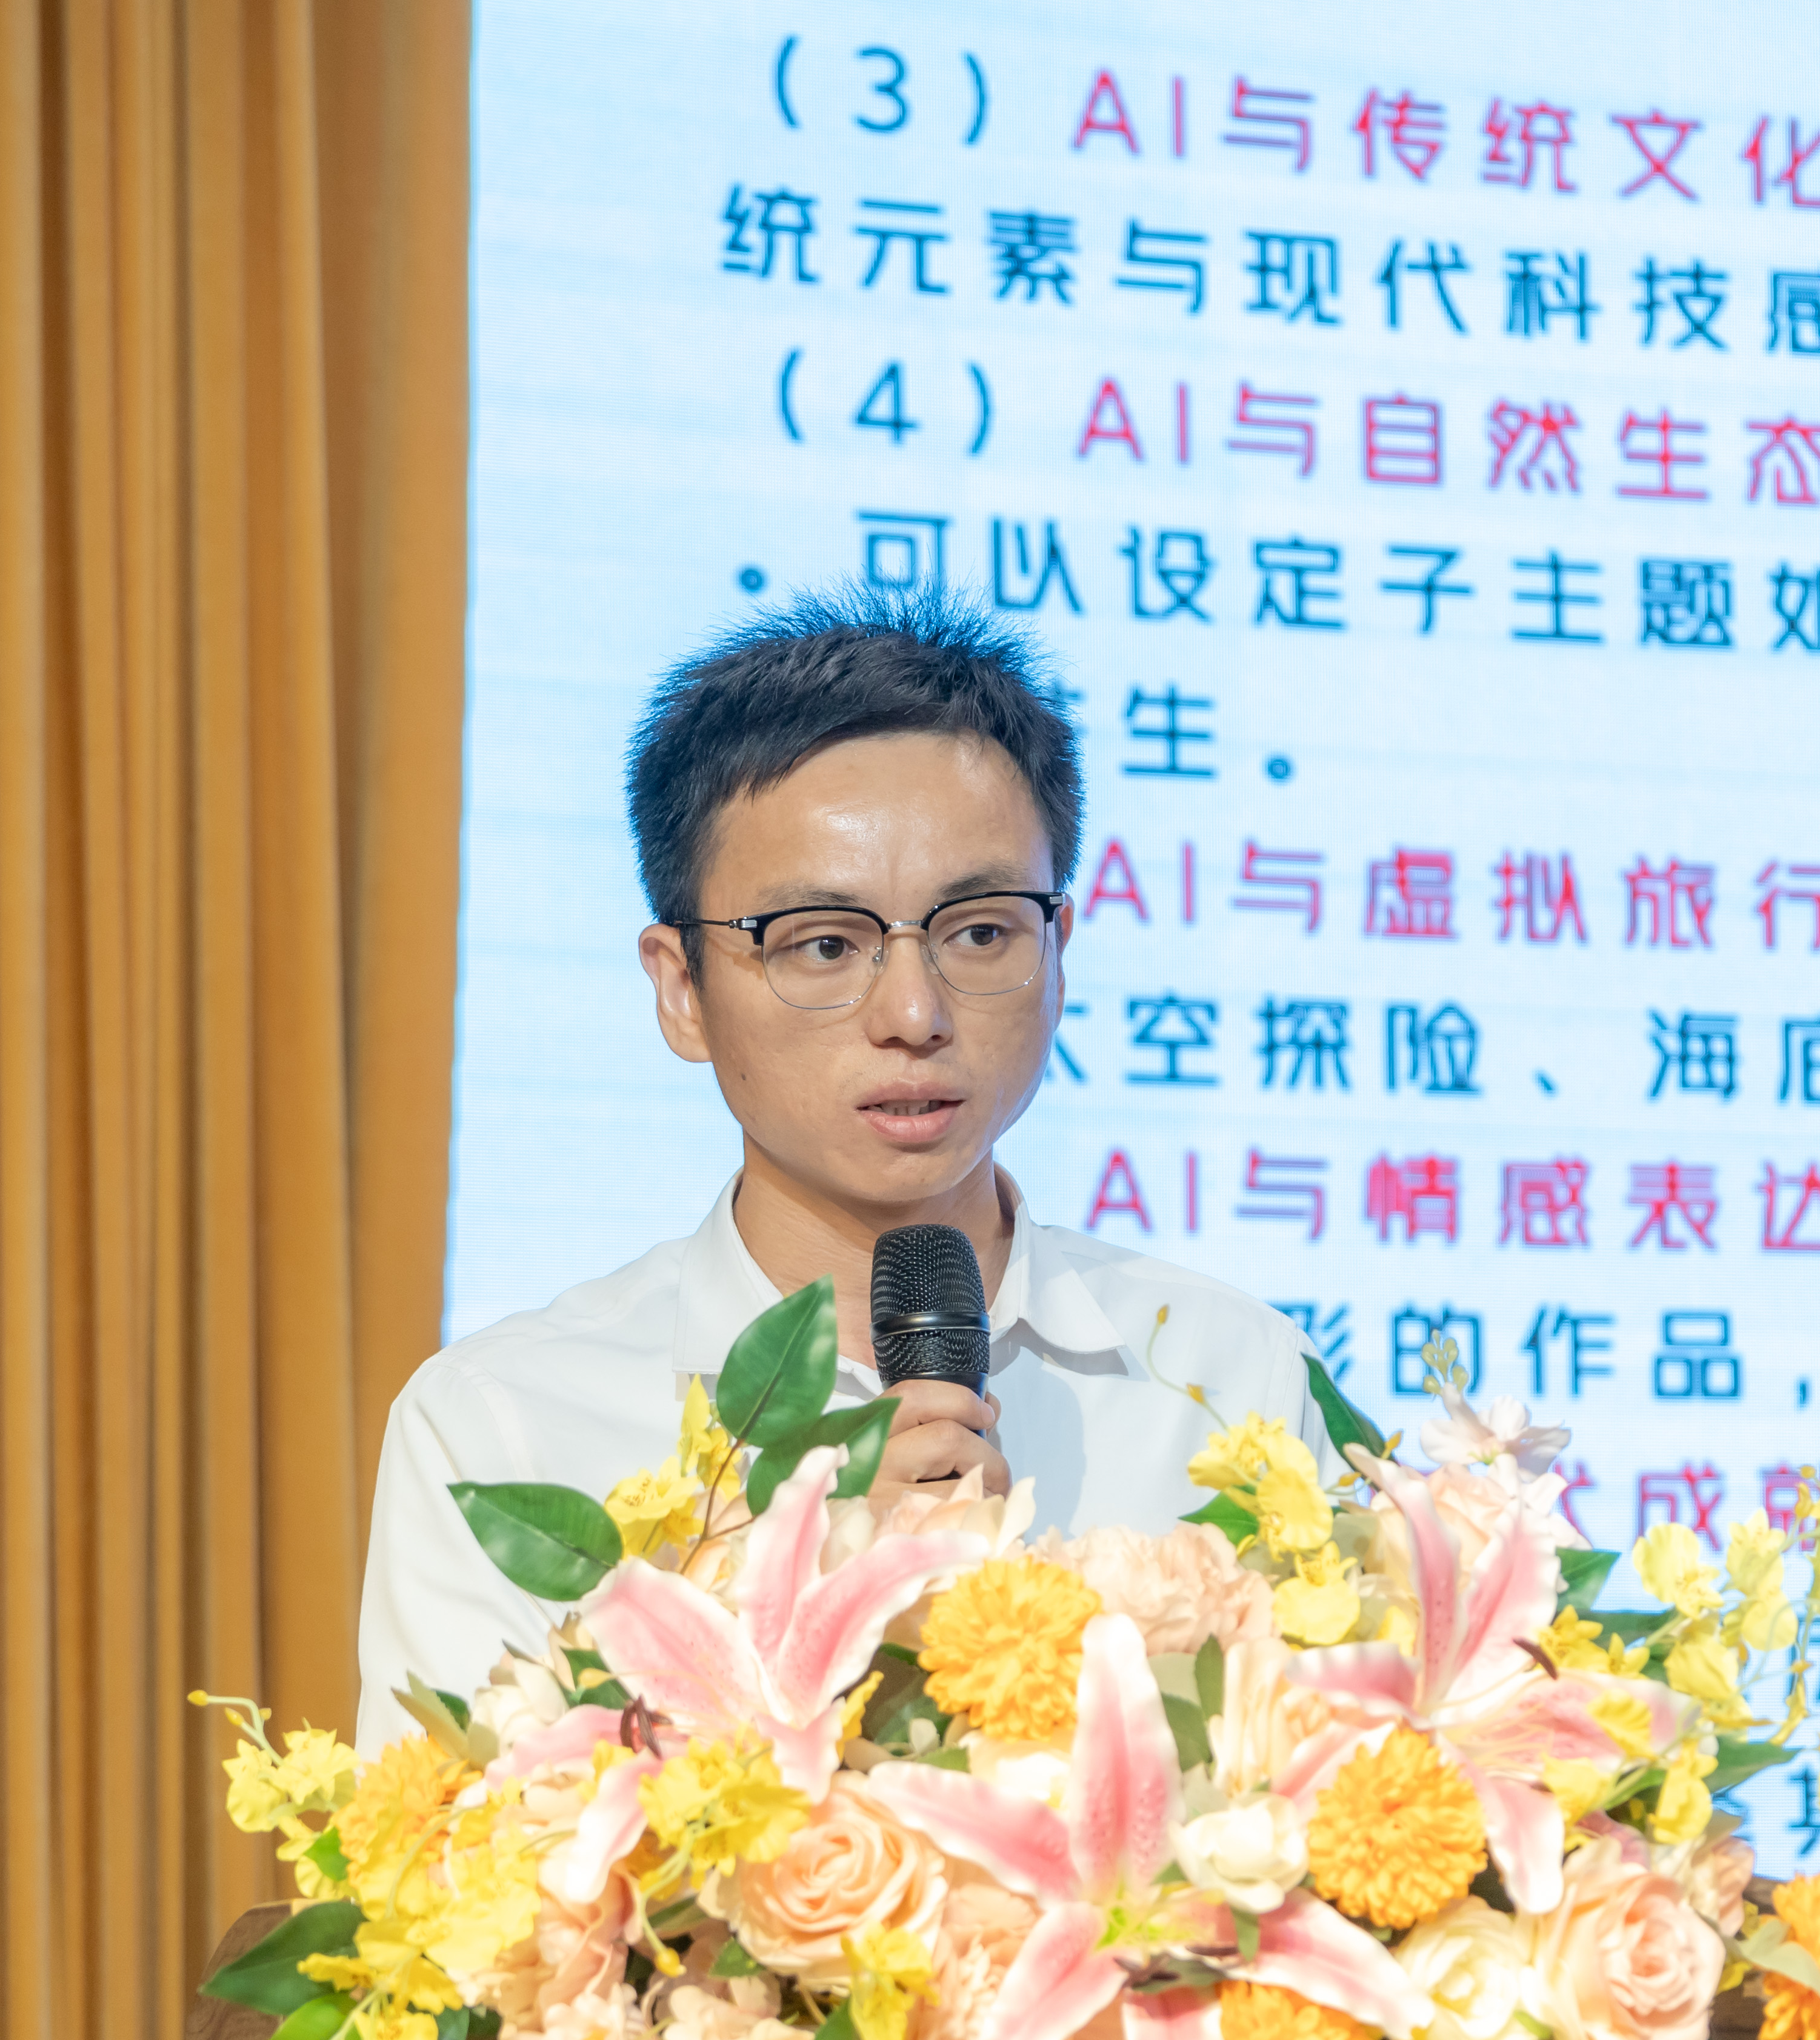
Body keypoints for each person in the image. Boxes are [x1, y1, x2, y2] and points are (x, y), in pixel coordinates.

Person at [353, 590, 1322, 1743]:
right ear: (681, 988)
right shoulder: (504, 1426)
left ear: (1058, 952)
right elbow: (453, 1852)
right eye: (823, 944)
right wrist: (812, 1606)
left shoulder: (1232, 1383)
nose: (914, 1013)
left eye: (980, 933)